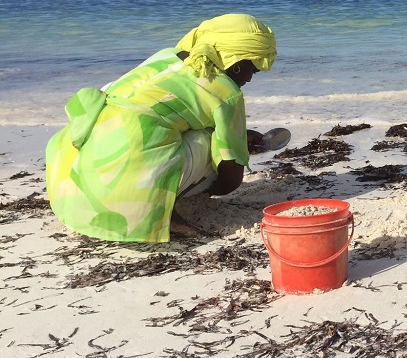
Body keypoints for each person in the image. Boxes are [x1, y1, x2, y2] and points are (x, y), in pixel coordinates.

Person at [45, 13, 277, 242]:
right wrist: (230, 155)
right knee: (213, 141)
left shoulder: (167, 56)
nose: (250, 78)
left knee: (164, 125)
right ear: (236, 62)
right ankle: (163, 211)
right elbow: (230, 178)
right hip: (123, 200)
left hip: (69, 181)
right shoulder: (227, 92)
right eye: (253, 69)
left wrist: (236, 134)